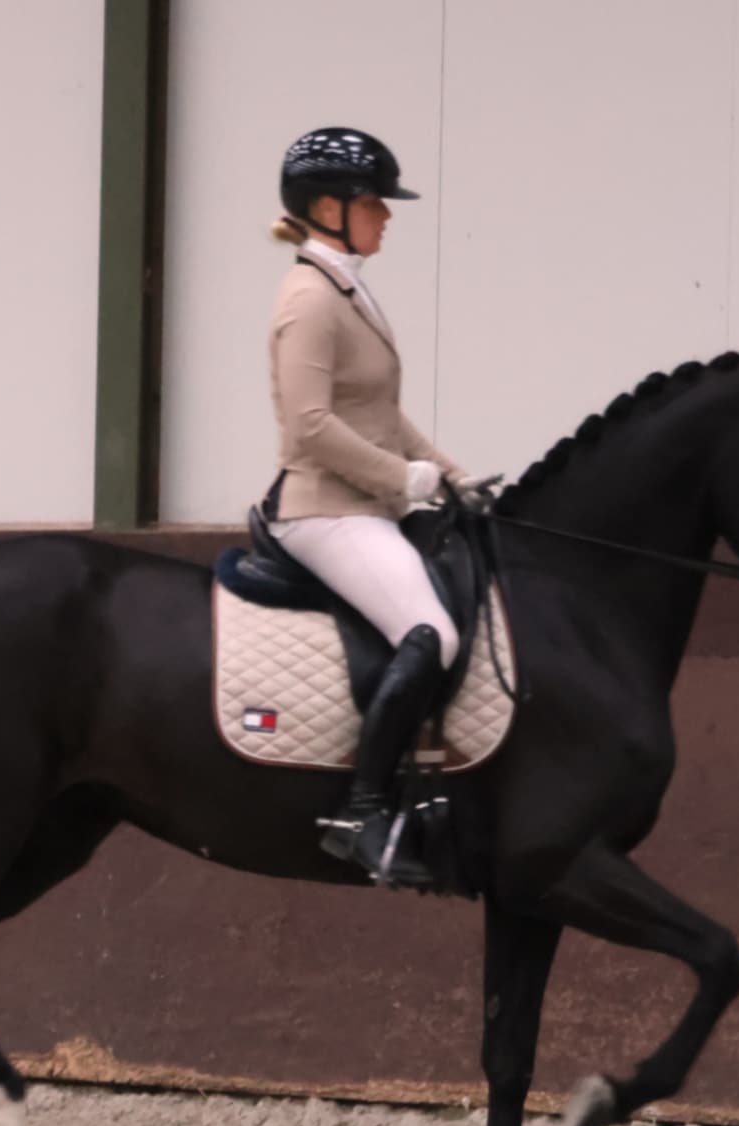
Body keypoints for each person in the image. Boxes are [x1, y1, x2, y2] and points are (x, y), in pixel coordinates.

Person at [261, 127, 490, 881]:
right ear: (328, 207)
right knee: (431, 632)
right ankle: (360, 812)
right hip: (325, 508)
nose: (386, 217)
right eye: (374, 205)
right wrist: (404, 480)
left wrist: (451, 475)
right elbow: (312, 426)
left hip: (369, 502)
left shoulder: (346, 288)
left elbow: (381, 413)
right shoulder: (308, 299)